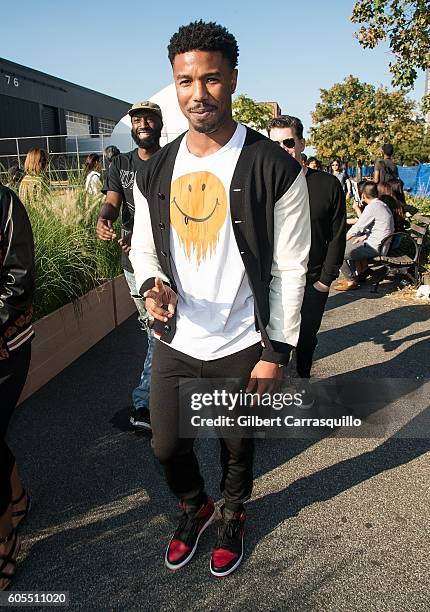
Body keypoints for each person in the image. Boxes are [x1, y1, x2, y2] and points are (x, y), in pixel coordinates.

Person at [130, 20, 310, 577]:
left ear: (232, 80)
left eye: (210, 79)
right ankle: (195, 506)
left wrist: (275, 351)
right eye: (185, 81)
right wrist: (150, 285)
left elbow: (291, 267)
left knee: (237, 443)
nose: (197, 94)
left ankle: (233, 513)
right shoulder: (156, 166)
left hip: (241, 339)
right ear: (174, 84)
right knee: (165, 445)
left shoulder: (275, 167)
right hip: (179, 339)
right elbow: (143, 248)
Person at [268, 115, 346, 404]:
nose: (282, 148)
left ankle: (301, 382)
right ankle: (272, 394)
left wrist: (326, 280)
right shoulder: (262, 185)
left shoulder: (327, 186)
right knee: (272, 339)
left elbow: (337, 236)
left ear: (301, 143)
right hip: (271, 279)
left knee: (306, 338)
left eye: (288, 142)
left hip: (312, 280)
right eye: (274, 143)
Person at [96, 101, 163, 431]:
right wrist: (104, 218)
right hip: (134, 262)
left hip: (171, 260)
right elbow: (112, 200)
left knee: (160, 329)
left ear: (159, 124)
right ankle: (146, 403)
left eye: (149, 119)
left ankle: (149, 401)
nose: (143, 124)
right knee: (156, 328)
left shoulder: (173, 161)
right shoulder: (120, 163)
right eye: (137, 120)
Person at [0, 184, 35, 591]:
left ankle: (4, 538)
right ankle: (18, 498)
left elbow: (19, 277)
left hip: (6, 343)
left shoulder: (4, 202)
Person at [334, 181, 394, 291]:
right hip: (380, 243)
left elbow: (357, 227)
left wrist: (340, 241)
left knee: (338, 251)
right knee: (350, 244)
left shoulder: (372, 207)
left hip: (376, 246)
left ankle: (351, 281)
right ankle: (354, 277)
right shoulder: (381, 204)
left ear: (362, 195)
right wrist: (364, 236)